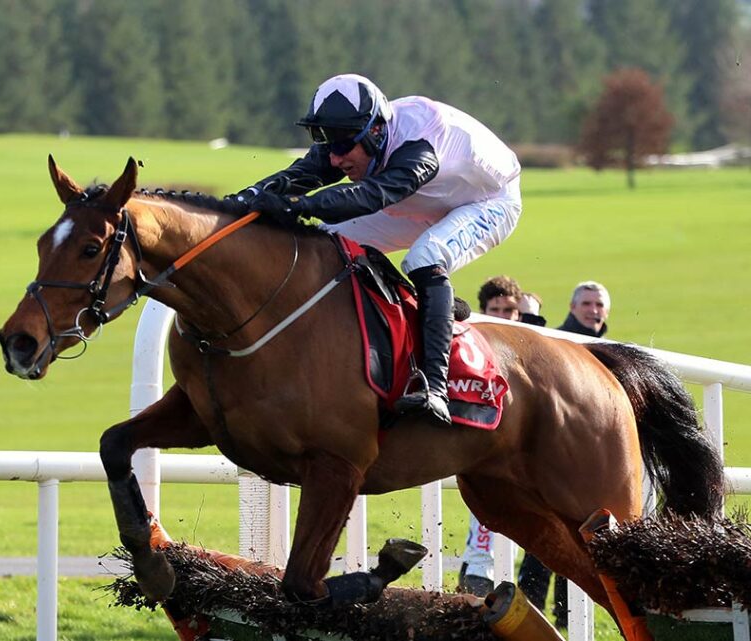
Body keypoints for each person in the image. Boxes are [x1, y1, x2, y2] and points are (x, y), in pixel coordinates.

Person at [229, 73, 523, 426]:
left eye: (342, 146)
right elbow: (304, 173)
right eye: (326, 144)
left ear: (377, 131)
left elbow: (372, 196)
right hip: (420, 200)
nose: (335, 158)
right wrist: (242, 200)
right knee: (323, 241)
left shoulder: (420, 141)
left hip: (488, 201)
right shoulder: (354, 136)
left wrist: (297, 206)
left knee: (425, 257)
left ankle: (435, 388)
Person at [514, 280, 613, 626]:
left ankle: (563, 618)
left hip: (588, 460)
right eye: (587, 303)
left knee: (574, 539)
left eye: (598, 304)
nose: (593, 310)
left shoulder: (608, 348)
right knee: (548, 537)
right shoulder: (560, 342)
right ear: (572, 308)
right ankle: (534, 611)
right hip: (556, 457)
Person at [456, 275, 544, 597]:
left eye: (509, 311)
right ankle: (478, 576)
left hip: (525, 449)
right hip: (486, 443)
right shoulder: (474, 340)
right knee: (488, 514)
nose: (503, 317)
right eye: (496, 310)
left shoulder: (523, 338)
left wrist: (532, 320)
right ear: (483, 311)